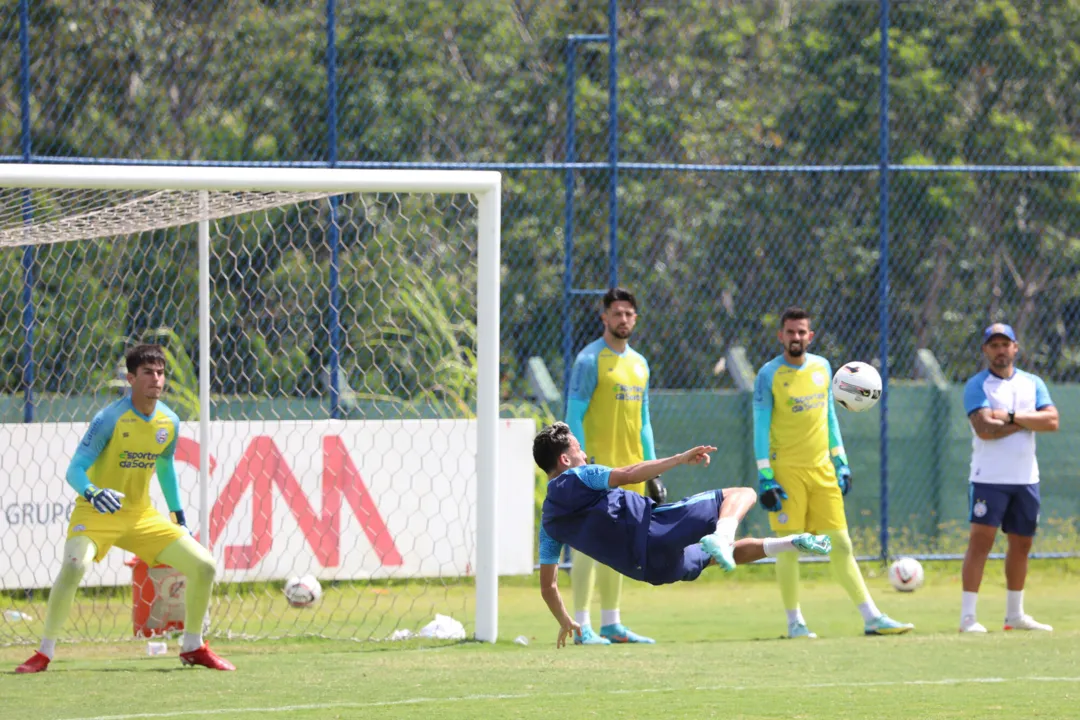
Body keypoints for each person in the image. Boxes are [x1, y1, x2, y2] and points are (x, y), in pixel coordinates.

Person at [16, 344, 234, 673]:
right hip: (96, 513)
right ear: (131, 378)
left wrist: (179, 517)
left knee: (204, 565)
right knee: (75, 566)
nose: (156, 379)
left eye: (160, 373)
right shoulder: (108, 418)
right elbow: (75, 469)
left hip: (141, 516)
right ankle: (43, 653)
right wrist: (91, 492)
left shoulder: (169, 421)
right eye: (148, 373)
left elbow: (165, 466)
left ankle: (193, 645)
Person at [533, 422, 832, 647]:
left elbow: (549, 586)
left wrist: (566, 621)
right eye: (578, 449)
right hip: (656, 529)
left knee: (713, 558)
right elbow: (630, 473)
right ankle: (723, 535)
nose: (584, 454)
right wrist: (679, 459)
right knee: (743, 493)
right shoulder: (579, 475)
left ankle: (791, 542)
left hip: (651, 569)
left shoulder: (549, 523)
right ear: (565, 460)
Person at [753, 307, 913, 638]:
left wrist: (841, 460)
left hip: (822, 471)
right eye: (790, 332)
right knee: (788, 547)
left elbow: (829, 416)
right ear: (780, 336)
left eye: (802, 332)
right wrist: (765, 475)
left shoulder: (824, 368)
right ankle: (794, 622)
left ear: (810, 336)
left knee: (841, 544)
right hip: (785, 473)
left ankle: (872, 618)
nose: (796, 337)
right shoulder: (768, 374)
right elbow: (760, 425)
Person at [565, 287, 661, 645]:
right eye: (616, 313)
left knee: (620, 547)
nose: (623, 319)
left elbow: (644, 422)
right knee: (588, 545)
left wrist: (654, 469)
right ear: (603, 317)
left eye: (628, 314)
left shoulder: (639, 364)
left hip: (632, 470)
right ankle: (580, 625)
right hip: (597, 470)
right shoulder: (590, 361)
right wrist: (578, 461)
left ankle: (611, 624)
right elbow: (574, 412)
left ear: (635, 319)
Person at [959, 323, 1058, 633]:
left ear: (1016, 348)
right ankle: (968, 618)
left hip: (1026, 478)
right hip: (989, 477)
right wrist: (1030, 421)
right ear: (985, 351)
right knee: (981, 543)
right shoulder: (978, 385)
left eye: (1006, 344)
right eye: (994, 345)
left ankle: (1014, 615)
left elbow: (1052, 420)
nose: (1000, 350)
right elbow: (986, 430)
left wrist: (1011, 417)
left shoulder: (1033, 383)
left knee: (1022, 544)